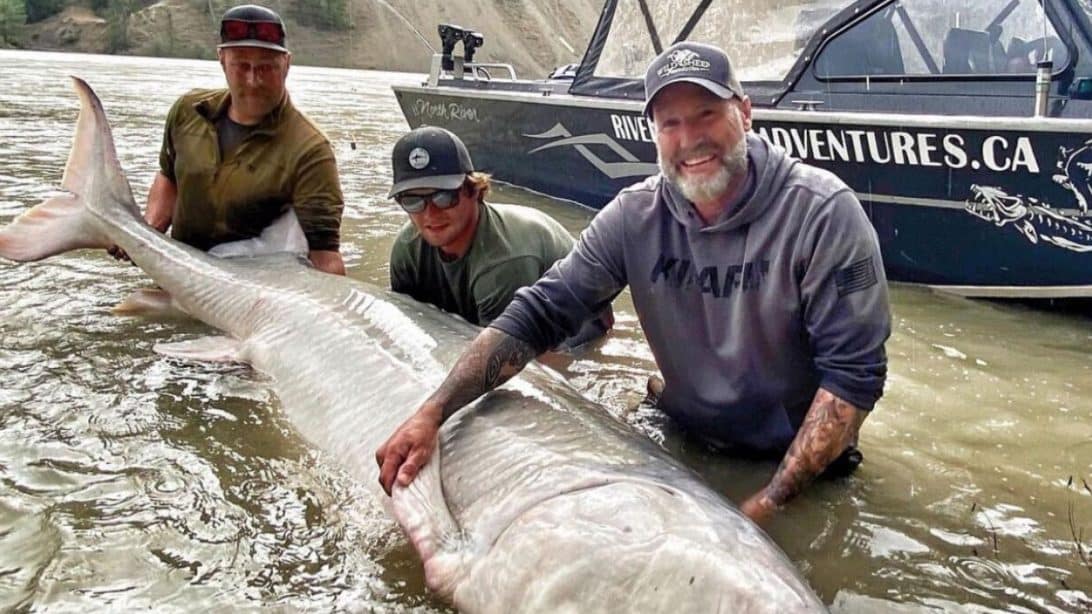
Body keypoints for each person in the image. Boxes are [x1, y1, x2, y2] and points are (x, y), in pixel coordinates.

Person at [375, 42, 890, 526]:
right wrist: (433, 412)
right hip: (682, 436)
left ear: (746, 112)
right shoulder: (634, 216)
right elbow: (539, 314)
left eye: (707, 114)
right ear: (654, 133)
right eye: (670, 123)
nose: (690, 139)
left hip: (800, 467)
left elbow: (853, 376)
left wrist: (768, 505)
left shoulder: (824, 213)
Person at [111, 4, 345, 275]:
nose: (253, 80)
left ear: (287, 64)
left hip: (251, 291)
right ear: (222, 60)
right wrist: (147, 232)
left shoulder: (311, 150)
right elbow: (169, 176)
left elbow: (325, 257)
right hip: (176, 274)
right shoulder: (188, 111)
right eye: (241, 66)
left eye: (266, 68)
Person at [387, 125, 612, 346]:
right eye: (412, 201)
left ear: (474, 191)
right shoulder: (406, 250)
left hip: (577, 326)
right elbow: (408, 328)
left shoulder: (504, 260)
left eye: (444, 198)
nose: (430, 214)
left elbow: (504, 359)